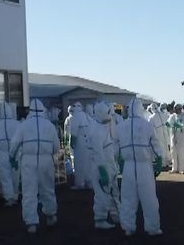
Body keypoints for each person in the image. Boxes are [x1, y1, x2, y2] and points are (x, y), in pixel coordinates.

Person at [10, 98, 60, 233]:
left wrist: (12, 157)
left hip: (29, 161)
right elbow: (56, 147)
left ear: (30, 110)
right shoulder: (49, 125)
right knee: (48, 189)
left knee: (29, 192)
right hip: (46, 161)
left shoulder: (24, 125)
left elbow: (14, 143)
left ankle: (31, 223)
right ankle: (50, 216)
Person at [116, 97, 162, 236]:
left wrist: (119, 161)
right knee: (149, 199)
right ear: (141, 109)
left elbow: (115, 148)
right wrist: (159, 160)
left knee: (128, 199)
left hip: (128, 167)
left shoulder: (121, 126)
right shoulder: (147, 125)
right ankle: (153, 228)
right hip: (145, 167)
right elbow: (156, 146)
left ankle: (128, 227)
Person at [86, 101, 121, 229]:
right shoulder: (96, 130)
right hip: (102, 166)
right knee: (103, 193)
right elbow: (98, 154)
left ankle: (116, 215)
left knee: (111, 192)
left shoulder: (100, 125)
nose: (109, 117)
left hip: (108, 164)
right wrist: (103, 171)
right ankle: (100, 219)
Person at [0, 101, 21, 206]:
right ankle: (16, 196)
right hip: (15, 153)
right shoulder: (17, 123)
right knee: (15, 176)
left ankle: (9, 198)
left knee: (5, 177)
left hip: (2, 154)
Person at [65, 102, 92, 190]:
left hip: (79, 144)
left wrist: (71, 144)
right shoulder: (86, 116)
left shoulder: (75, 117)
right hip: (88, 144)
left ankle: (80, 183)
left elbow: (73, 133)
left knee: (79, 164)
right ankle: (89, 182)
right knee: (88, 163)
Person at [146, 103, 171, 172]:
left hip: (157, 132)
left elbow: (149, 126)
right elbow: (167, 122)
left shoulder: (151, 117)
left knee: (161, 147)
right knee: (166, 146)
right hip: (164, 131)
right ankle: (167, 161)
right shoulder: (163, 114)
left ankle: (162, 163)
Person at [170, 105, 184, 173]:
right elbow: (169, 124)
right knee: (174, 153)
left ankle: (182, 169)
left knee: (182, 153)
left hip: (182, 136)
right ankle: (174, 168)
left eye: (178, 109)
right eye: (175, 109)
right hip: (174, 135)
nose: (176, 110)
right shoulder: (173, 116)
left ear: (180, 109)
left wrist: (183, 129)